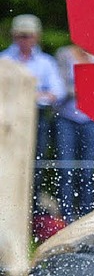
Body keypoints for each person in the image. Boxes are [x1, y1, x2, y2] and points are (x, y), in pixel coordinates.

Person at [0, 14, 65, 211]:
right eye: (21, 36)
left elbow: (58, 92)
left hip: (36, 120)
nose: (24, 40)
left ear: (36, 36)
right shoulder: (4, 60)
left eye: (28, 36)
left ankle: (32, 212)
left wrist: (28, 95)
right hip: (6, 120)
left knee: (35, 166)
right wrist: (37, 94)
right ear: (14, 36)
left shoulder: (46, 62)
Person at [54, 45, 94, 222]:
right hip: (67, 118)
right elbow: (58, 87)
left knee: (88, 171)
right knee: (66, 170)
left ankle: (86, 217)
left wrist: (83, 88)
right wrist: (80, 89)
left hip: (90, 120)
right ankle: (66, 217)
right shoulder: (64, 54)